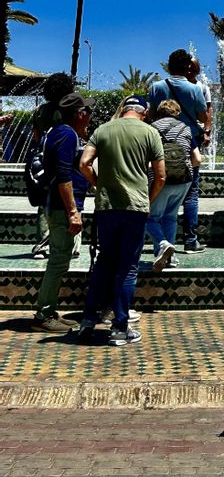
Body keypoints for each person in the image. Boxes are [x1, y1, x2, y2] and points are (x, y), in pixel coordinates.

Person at [78, 95, 165, 346]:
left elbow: (84, 164)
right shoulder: (150, 133)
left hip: (107, 208)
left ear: (124, 108)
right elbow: (160, 176)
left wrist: (98, 184)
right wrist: (148, 199)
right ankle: (119, 327)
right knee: (127, 267)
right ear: (144, 112)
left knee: (104, 262)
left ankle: (87, 322)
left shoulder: (103, 130)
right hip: (135, 208)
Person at [31, 92, 94, 332]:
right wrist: (73, 212)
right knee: (58, 261)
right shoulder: (67, 135)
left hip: (54, 204)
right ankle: (44, 315)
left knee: (60, 259)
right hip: (61, 207)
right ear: (78, 114)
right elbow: (63, 175)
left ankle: (48, 310)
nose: (90, 116)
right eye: (87, 112)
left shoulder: (57, 131)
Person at [149, 49, 208, 253]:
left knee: (156, 192)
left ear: (169, 65)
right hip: (187, 144)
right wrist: (206, 131)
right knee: (191, 195)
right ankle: (190, 240)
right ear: (187, 68)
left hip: (158, 145)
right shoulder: (194, 89)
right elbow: (203, 116)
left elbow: (150, 115)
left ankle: (159, 242)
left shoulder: (156, 87)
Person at [147, 100, 200, 270]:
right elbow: (197, 159)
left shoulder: (151, 128)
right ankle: (170, 259)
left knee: (148, 218)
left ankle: (162, 244)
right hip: (183, 179)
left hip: (160, 178)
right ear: (177, 113)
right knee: (170, 217)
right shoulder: (185, 128)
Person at [29, 72, 75, 259]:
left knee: (44, 200)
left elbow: (36, 135)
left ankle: (41, 245)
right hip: (63, 158)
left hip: (43, 157)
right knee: (68, 199)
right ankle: (69, 244)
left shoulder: (41, 110)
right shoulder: (68, 109)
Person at [188, 57, 212, 148]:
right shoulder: (179, 87)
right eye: (188, 69)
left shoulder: (203, 87)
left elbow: (208, 109)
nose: (190, 72)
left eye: (193, 70)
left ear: (197, 71)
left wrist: (207, 131)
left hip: (198, 130)